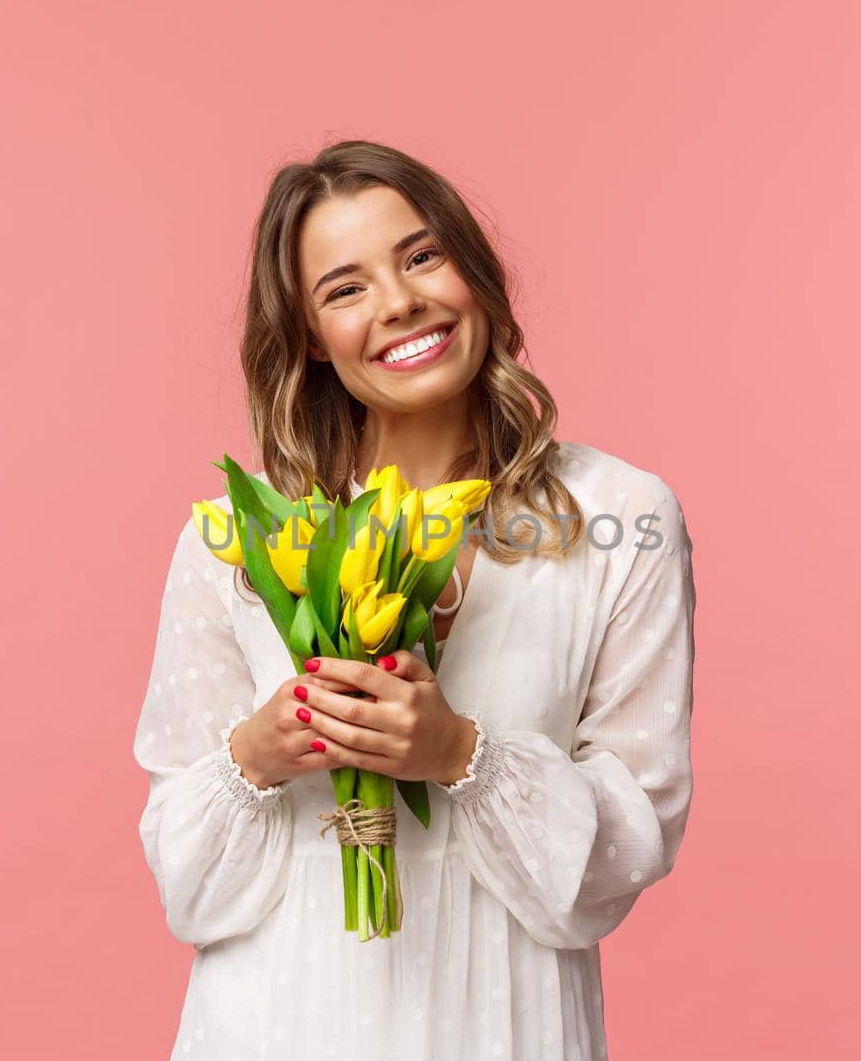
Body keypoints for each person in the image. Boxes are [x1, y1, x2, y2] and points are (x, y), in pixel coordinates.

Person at [132, 140, 696, 1060]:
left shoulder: (620, 517)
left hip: (504, 1022)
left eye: (421, 255)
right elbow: (184, 885)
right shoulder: (238, 540)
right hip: (276, 1017)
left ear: (475, 271)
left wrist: (460, 753)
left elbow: (630, 848)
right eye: (344, 288)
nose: (399, 303)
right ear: (313, 336)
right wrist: (258, 752)